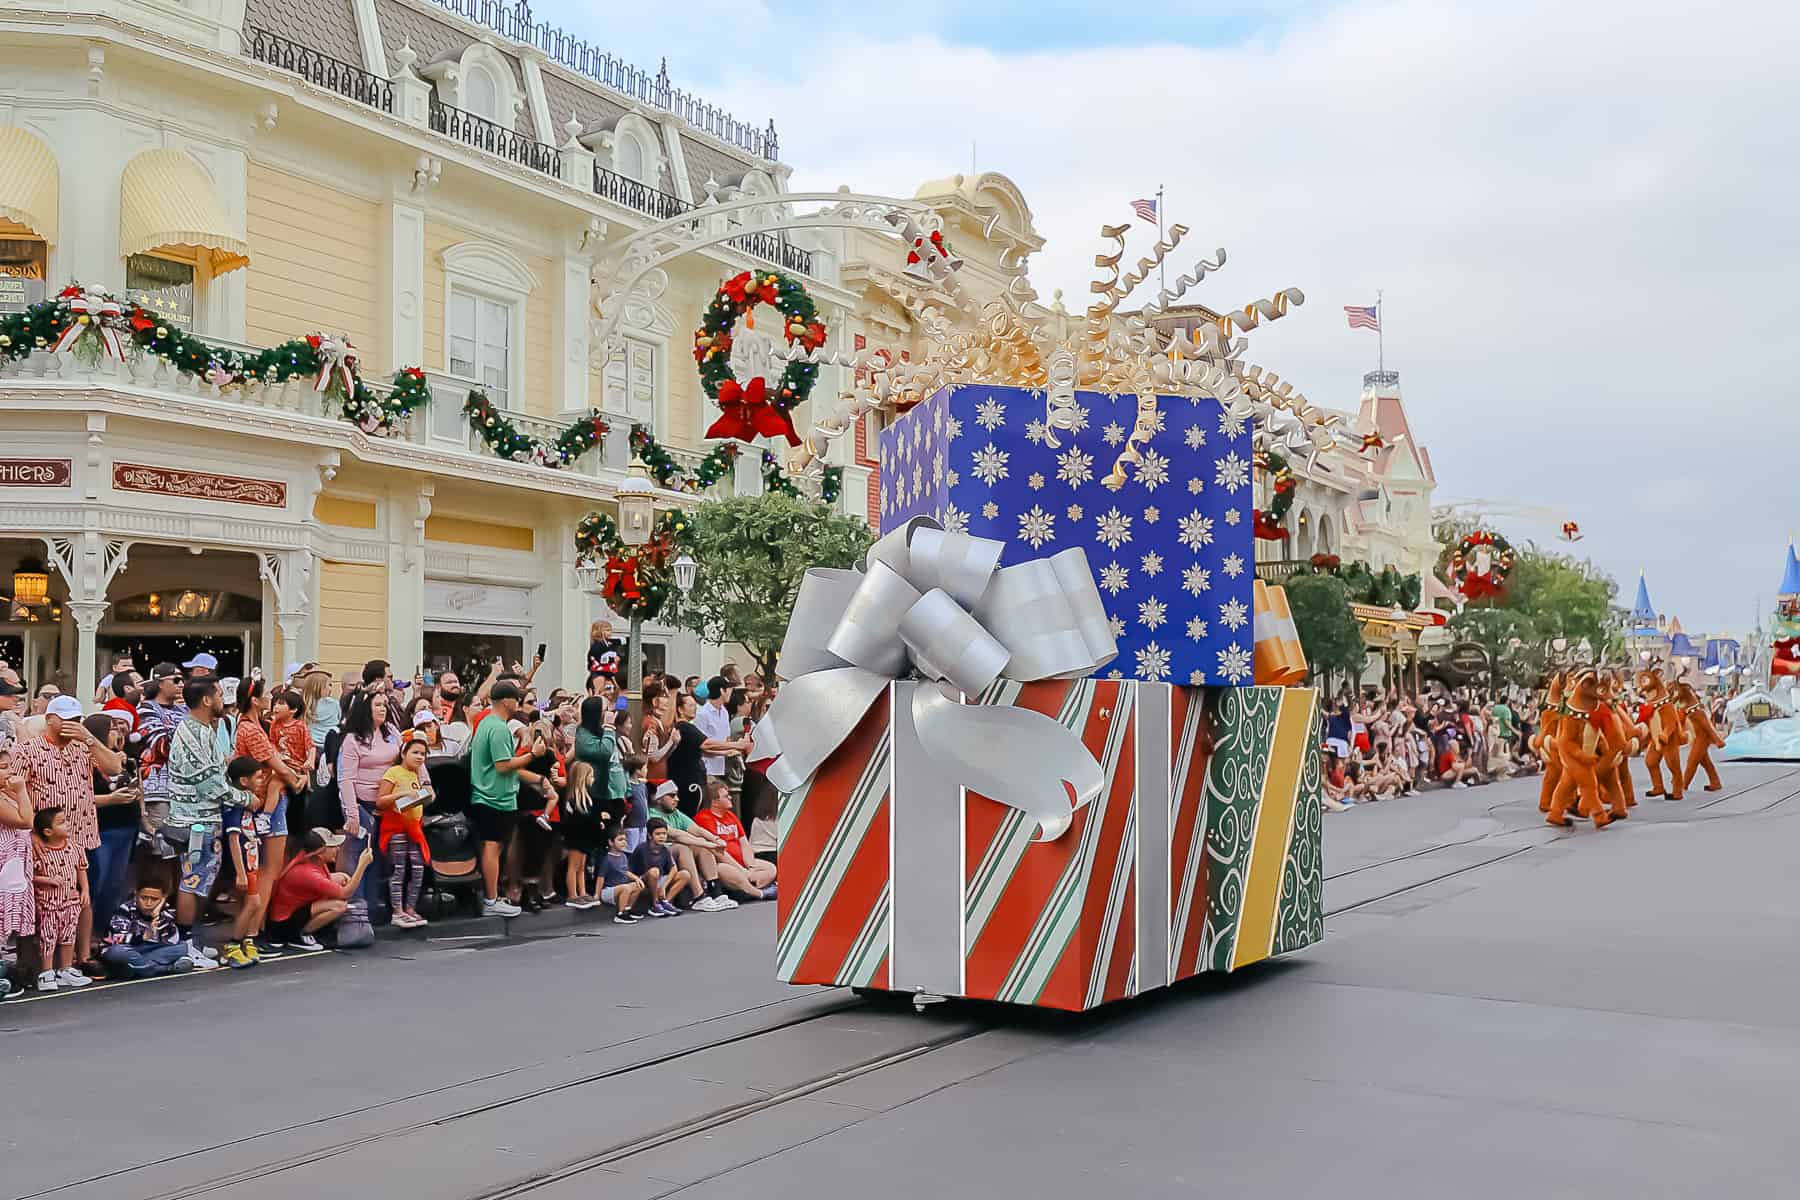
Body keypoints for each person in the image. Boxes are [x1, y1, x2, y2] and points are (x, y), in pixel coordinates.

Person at [18, 694, 122, 969]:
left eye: (76, 720)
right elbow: (11, 789)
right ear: (50, 719)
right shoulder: (28, 750)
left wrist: (87, 736)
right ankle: (40, 963)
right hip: (46, 837)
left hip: (82, 833)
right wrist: (30, 834)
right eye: (65, 720)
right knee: (45, 899)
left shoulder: (83, 746)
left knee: (85, 894)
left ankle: (83, 955)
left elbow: (113, 767)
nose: (71, 725)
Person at [166, 677, 230, 962]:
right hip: (195, 822)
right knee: (191, 881)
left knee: (201, 880)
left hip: (205, 818)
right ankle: (186, 943)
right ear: (207, 699)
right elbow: (210, 784)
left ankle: (194, 940)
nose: (222, 699)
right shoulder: (192, 732)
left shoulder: (204, 729)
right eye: (218, 694)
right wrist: (246, 799)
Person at [469, 682, 537, 918]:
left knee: (493, 847)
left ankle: (492, 897)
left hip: (492, 795)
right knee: (492, 846)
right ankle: (490, 900)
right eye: (516, 699)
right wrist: (531, 755)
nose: (518, 704)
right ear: (507, 701)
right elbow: (503, 765)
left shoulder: (487, 722)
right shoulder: (497, 728)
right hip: (493, 797)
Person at [338, 690, 402, 921]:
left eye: (385, 705)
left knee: (381, 855)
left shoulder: (392, 733)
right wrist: (352, 814)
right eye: (378, 705)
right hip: (361, 803)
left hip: (389, 802)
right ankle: (358, 909)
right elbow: (345, 779)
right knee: (361, 855)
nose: (383, 709)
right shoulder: (352, 739)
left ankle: (375, 907)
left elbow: (406, 756)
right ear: (366, 709)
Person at [265, 828, 371, 950]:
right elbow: (345, 894)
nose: (337, 849)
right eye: (333, 846)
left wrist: (344, 878)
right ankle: (299, 936)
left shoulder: (313, 862)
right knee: (339, 906)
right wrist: (362, 865)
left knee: (341, 878)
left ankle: (304, 931)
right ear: (320, 852)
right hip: (283, 925)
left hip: (294, 911)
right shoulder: (307, 872)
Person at [84, 713, 139, 937]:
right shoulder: (86, 760)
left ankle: (105, 930)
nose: (117, 733)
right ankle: (90, 936)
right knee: (99, 882)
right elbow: (78, 796)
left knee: (116, 884)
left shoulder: (122, 757)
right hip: (102, 828)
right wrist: (111, 799)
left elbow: (136, 785)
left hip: (126, 826)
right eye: (112, 729)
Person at [649, 781, 739, 910]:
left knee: (702, 848)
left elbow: (697, 830)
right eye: (672, 796)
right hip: (657, 855)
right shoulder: (652, 814)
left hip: (673, 852)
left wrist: (715, 839)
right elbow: (678, 835)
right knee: (683, 848)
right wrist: (708, 843)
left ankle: (716, 892)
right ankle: (699, 896)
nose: (677, 799)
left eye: (677, 795)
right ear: (659, 799)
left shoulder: (676, 813)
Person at [218, 756, 270, 968]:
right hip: (242, 863)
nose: (261, 781)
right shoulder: (236, 804)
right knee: (254, 902)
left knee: (247, 904)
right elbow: (232, 838)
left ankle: (246, 941)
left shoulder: (249, 802)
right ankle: (232, 946)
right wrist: (239, 872)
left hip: (252, 859)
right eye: (257, 778)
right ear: (243, 781)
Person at [378, 734, 433, 929]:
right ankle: (397, 911)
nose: (420, 757)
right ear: (403, 753)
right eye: (415, 752)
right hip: (396, 826)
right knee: (398, 870)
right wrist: (402, 794)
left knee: (418, 869)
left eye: (423, 754)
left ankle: (410, 908)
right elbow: (381, 800)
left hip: (414, 827)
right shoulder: (393, 772)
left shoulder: (417, 775)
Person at [31, 806, 89, 989]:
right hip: (48, 903)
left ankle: (66, 969)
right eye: (62, 822)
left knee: (68, 935)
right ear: (48, 831)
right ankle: (46, 972)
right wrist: (47, 879)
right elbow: (29, 875)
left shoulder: (75, 848)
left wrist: (85, 890)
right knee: (48, 936)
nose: (68, 825)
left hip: (70, 900)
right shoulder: (39, 851)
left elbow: (81, 869)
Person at [99, 879, 201, 978]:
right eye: (144, 898)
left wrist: (156, 916)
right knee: (116, 951)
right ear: (136, 894)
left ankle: (135, 968)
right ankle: (163, 969)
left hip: (150, 950)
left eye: (154, 899)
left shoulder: (166, 913)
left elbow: (171, 940)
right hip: (129, 948)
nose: (148, 903)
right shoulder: (125, 909)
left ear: (162, 899)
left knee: (182, 947)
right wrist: (143, 936)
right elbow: (116, 939)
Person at [694, 779, 776, 899]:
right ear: (715, 802)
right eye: (726, 796)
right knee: (723, 869)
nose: (731, 798)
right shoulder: (704, 818)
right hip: (724, 863)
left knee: (771, 868)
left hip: (742, 863)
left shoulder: (730, 815)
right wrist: (741, 870)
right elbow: (718, 851)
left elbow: (744, 843)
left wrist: (750, 863)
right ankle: (758, 892)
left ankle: (748, 888)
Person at [555, 760, 606, 910]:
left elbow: (590, 817)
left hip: (585, 838)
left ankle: (582, 892)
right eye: (591, 776)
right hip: (576, 838)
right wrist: (595, 822)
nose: (593, 779)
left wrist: (598, 822)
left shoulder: (587, 798)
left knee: (581, 867)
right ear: (583, 778)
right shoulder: (573, 799)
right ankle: (572, 895)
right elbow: (576, 821)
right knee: (573, 866)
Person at [0, 740, 35, 959]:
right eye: (3, 767)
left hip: (17, 862)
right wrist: (21, 790)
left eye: (9, 765)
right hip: (5, 864)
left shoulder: (6, 793)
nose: (11, 772)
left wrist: (15, 792)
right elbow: (26, 820)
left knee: (13, 916)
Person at [632, 818, 688, 917]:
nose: (662, 837)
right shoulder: (641, 849)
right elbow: (629, 871)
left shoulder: (664, 849)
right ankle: (655, 904)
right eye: (658, 834)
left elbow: (673, 868)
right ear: (650, 835)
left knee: (685, 874)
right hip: (644, 882)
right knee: (654, 871)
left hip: (659, 880)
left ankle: (665, 902)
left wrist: (664, 886)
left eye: (664, 834)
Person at [666, 692, 709, 819]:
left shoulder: (688, 726)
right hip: (688, 782)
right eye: (690, 705)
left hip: (690, 779)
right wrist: (736, 745)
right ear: (680, 709)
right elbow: (706, 744)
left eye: (695, 705)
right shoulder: (684, 727)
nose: (694, 708)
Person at [596, 828, 645, 923]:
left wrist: (636, 879)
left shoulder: (623, 856)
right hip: (608, 891)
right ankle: (620, 914)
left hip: (621, 889)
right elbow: (600, 878)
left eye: (625, 840)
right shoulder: (607, 859)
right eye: (620, 840)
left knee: (638, 885)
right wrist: (597, 895)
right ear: (611, 842)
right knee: (626, 888)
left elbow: (625, 871)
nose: (624, 842)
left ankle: (627, 908)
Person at [300, 667, 339, 747]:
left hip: (310, 745)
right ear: (320, 687)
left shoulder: (303, 704)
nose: (330, 688)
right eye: (329, 685)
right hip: (331, 745)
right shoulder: (334, 704)